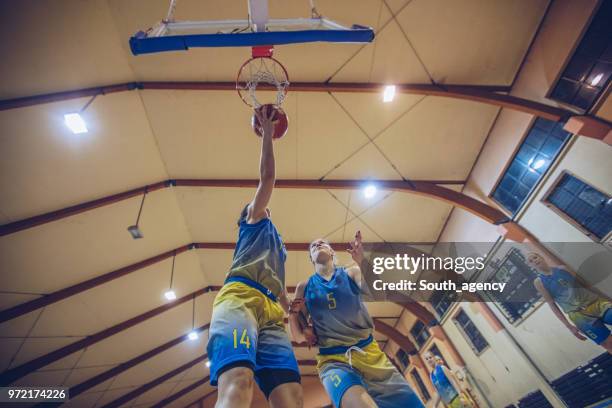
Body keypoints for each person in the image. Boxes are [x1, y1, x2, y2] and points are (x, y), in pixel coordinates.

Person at [207, 106, 302, 408]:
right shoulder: (253, 221)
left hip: (272, 313)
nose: (262, 205)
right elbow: (268, 177)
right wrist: (268, 133)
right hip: (240, 299)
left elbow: (280, 291)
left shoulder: (279, 246)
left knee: (292, 398)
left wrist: (297, 313)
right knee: (239, 380)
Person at [289, 231, 423, 408]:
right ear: (311, 259)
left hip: (369, 353)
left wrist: (362, 261)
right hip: (334, 360)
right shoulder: (304, 286)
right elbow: (298, 337)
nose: (317, 245)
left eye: (322, 243)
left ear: (332, 252)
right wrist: (295, 317)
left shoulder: (350, 273)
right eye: (313, 246)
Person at [527, 252, 612, 353]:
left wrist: (608, 298)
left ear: (541, 257)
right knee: (609, 344)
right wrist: (569, 326)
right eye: (530, 261)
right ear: (530, 266)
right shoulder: (539, 282)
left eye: (535, 257)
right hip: (579, 316)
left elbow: (586, 284)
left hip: (596, 303)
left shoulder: (562, 269)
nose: (534, 260)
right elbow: (552, 305)